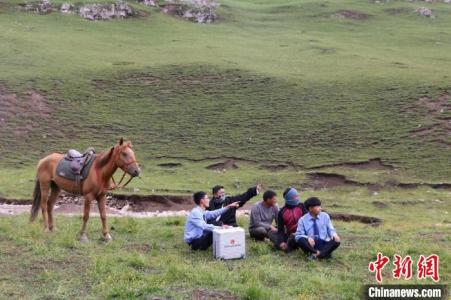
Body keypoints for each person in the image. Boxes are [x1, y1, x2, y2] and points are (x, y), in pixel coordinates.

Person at [270, 187, 307, 252]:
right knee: (271, 233)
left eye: (297, 196)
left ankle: (289, 246)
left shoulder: (302, 206)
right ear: (290, 198)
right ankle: (286, 245)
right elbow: (280, 230)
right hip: (289, 235)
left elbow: (308, 222)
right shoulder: (282, 212)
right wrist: (281, 242)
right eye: (296, 196)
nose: (298, 197)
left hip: (303, 234)